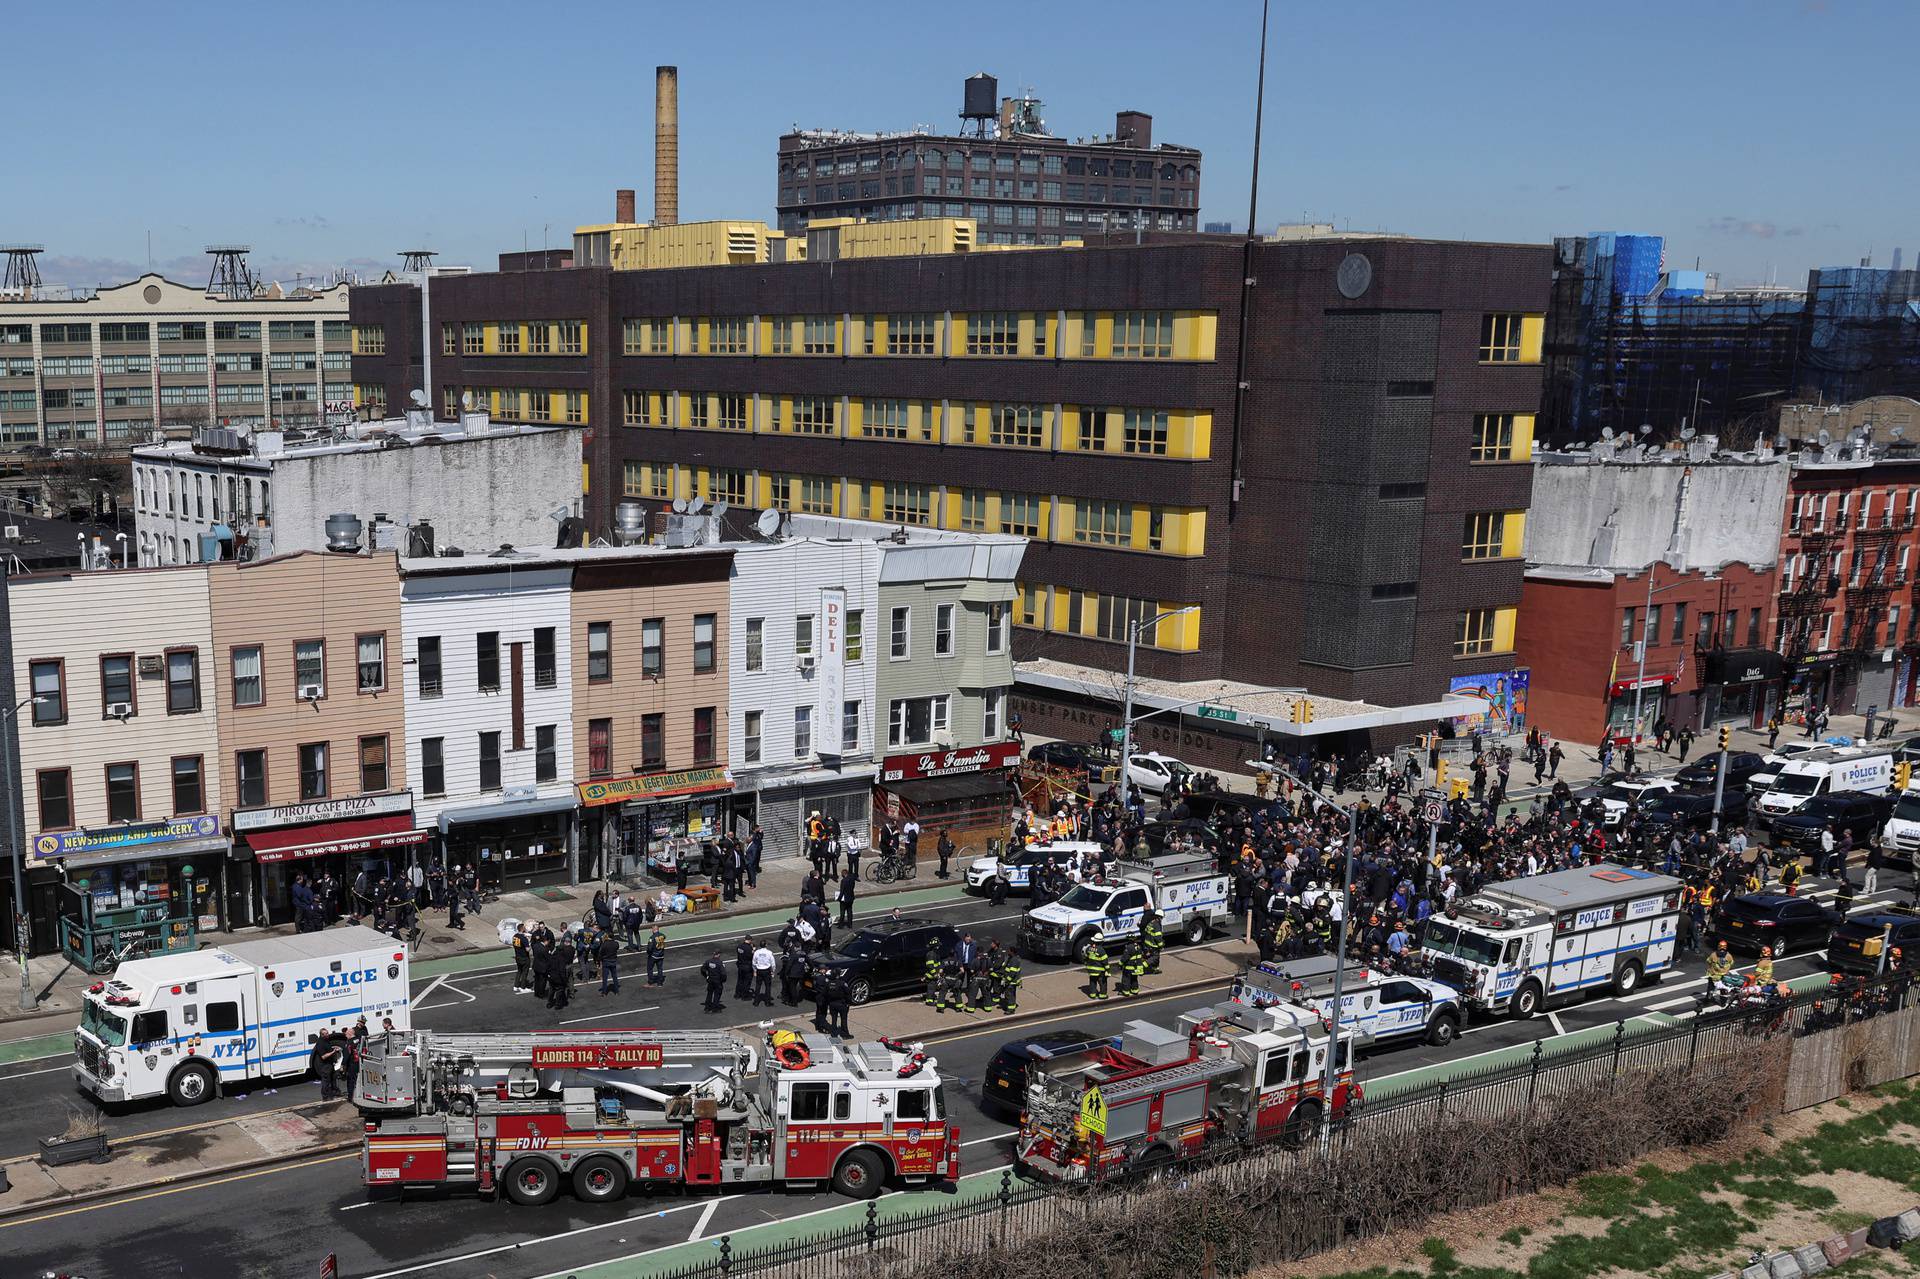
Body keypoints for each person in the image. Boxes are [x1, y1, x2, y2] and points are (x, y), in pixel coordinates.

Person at [825, 967, 853, 1037]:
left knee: (834, 1019)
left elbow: (825, 993)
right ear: (838, 975)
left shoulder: (828, 983)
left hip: (832, 1004)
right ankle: (845, 1034)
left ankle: (834, 1034)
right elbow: (848, 993)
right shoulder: (842, 983)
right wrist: (848, 1003)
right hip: (841, 1004)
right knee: (843, 1019)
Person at [1084, 936, 1110, 1001]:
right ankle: (1102, 995)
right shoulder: (1101, 950)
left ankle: (1093, 994)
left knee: (1093, 982)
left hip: (1091, 970)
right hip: (1100, 970)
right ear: (1101, 942)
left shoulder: (1089, 948)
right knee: (1102, 982)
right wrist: (1107, 970)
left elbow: (1086, 957)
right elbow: (1105, 961)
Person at [751, 939, 775, 1006]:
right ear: (766, 945)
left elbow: (753, 963)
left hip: (759, 971)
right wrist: (773, 971)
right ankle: (767, 1002)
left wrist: (755, 970)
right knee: (768, 986)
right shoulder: (769, 952)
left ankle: (756, 1002)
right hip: (767, 971)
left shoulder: (756, 952)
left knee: (758, 986)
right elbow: (773, 964)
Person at [598, 928, 621, 995]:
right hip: (613, 961)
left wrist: (600, 960)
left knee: (605, 978)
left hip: (606, 962)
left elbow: (601, 953)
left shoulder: (604, 944)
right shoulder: (616, 943)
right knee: (615, 977)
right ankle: (617, 991)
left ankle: (604, 992)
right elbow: (617, 948)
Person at [1141, 909, 1164, 974]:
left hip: (1147, 943)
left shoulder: (1151, 922)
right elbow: (1158, 937)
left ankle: (1155, 969)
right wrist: (1161, 945)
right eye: (1161, 918)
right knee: (1155, 957)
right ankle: (1142, 966)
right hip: (1153, 945)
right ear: (1159, 917)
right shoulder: (1156, 925)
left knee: (1149, 956)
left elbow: (1146, 931)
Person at [511, 923, 533, 993]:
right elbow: (527, 949)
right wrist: (530, 943)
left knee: (519, 971)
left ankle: (516, 986)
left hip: (517, 956)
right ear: (522, 928)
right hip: (524, 957)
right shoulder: (524, 938)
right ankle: (523, 987)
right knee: (525, 973)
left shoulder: (515, 936)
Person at [734, 936, 755, 1002]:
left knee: (740, 980)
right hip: (747, 966)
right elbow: (751, 957)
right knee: (747, 981)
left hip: (740, 965)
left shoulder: (739, 946)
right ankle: (744, 995)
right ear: (750, 940)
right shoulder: (749, 948)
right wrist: (753, 950)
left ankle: (737, 994)